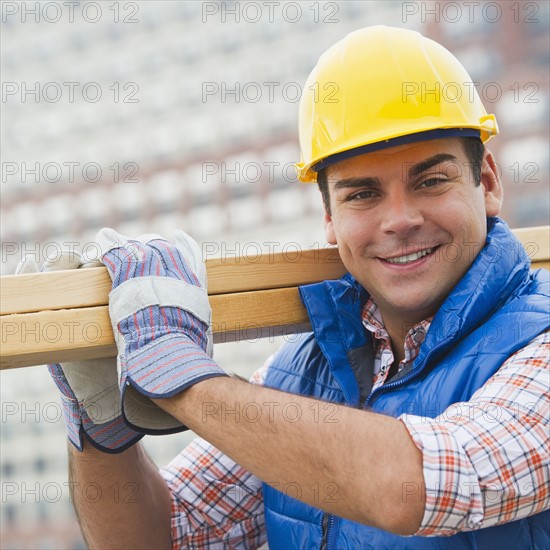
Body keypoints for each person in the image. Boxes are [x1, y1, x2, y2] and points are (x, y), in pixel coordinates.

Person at [20, 25, 549, 549]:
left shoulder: (541, 342)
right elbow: (163, 538)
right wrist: (101, 424)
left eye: (430, 181)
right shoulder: (300, 372)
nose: (400, 220)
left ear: (488, 184)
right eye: (363, 195)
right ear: (329, 218)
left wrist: (175, 371)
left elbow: (420, 485)